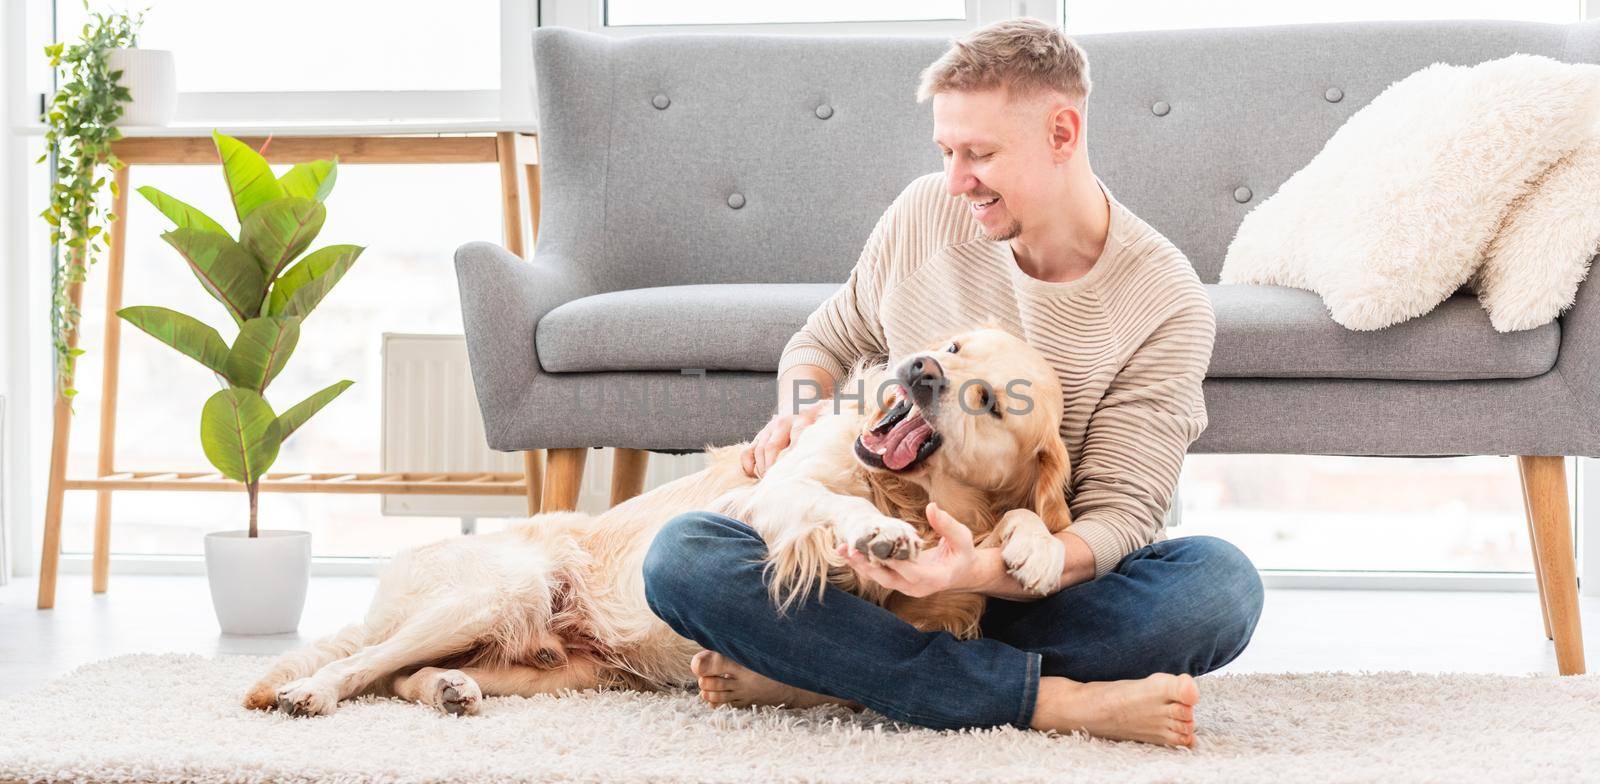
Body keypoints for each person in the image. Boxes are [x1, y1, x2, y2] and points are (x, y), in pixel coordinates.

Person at [642, 17, 1263, 748]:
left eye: (980, 154)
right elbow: (827, 340)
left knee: (1219, 589)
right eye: (945, 150)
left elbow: (1119, 516)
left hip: (1021, 588)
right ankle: (1051, 701)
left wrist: (976, 571)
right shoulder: (924, 215)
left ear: (1062, 134)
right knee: (684, 558)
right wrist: (800, 414)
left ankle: (824, 670)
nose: (954, 180)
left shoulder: (1164, 300)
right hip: (870, 569)